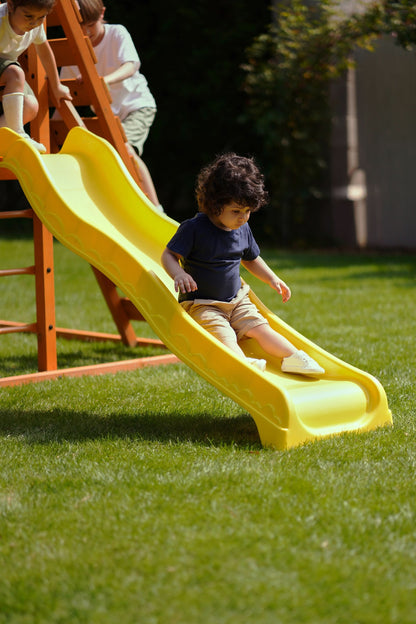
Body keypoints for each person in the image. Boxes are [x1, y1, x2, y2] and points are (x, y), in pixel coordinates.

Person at [161, 153, 325, 376]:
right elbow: (168, 255)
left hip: (237, 300)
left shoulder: (242, 229)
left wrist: (272, 278)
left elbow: (251, 259)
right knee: (223, 334)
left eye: (247, 211)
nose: (242, 218)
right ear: (215, 205)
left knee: (261, 328)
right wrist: (178, 273)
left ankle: (293, 357)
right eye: (236, 211)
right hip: (203, 304)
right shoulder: (194, 229)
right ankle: (241, 363)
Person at [58, 0, 161, 210]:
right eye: (80, 27)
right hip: (106, 114)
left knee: (125, 149)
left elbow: (131, 65)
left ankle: (156, 207)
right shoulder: (73, 50)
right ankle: (124, 205)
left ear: (102, 13)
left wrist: (102, 80)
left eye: (91, 24)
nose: (86, 31)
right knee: (109, 156)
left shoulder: (116, 33)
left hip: (136, 104)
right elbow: (67, 94)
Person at [0, 0, 71, 153]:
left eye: (41, 17)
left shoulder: (35, 27)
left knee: (31, 106)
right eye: (28, 16)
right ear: (11, 6)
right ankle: (18, 133)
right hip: (7, 70)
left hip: (5, 70)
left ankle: (2, 136)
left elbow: (44, 52)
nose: (34, 22)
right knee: (16, 73)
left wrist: (56, 85)